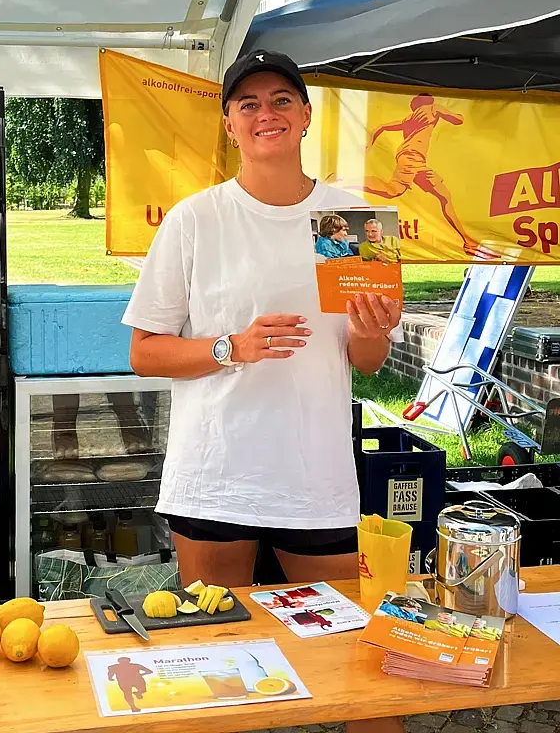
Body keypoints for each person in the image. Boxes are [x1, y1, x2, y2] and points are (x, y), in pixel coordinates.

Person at [122, 48, 403, 733]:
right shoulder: (196, 220)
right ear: (228, 124)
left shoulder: (352, 222)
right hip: (216, 479)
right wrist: (230, 347)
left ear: (305, 116)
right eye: (248, 104)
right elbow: (144, 352)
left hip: (317, 479)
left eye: (281, 99)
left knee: (359, 675)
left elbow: (366, 360)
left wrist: (375, 328)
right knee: (215, 672)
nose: (265, 114)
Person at [331, 93, 495, 259]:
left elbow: (381, 127)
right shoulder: (432, 109)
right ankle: (343, 180)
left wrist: (369, 143)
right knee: (394, 190)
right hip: (411, 157)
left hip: (414, 158)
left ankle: (468, 243)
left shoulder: (410, 119)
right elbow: (458, 119)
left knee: (443, 196)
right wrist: (448, 112)